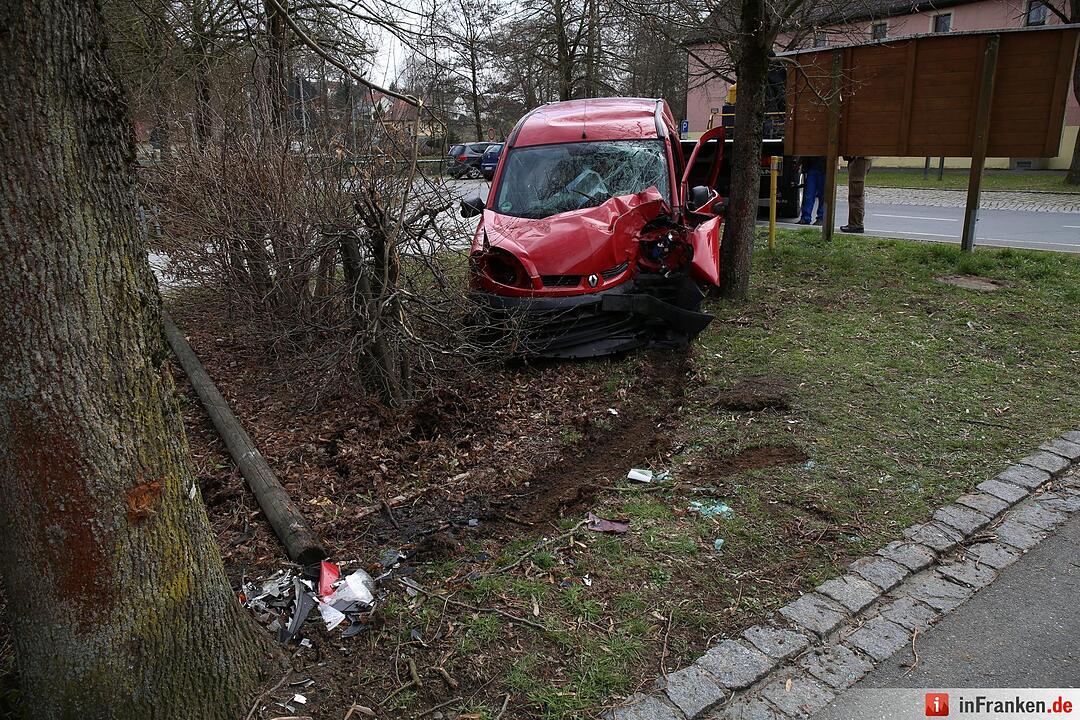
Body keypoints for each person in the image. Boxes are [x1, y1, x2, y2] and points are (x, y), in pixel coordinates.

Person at [841, 156, 872, 233]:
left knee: (856, 194)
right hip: (861, 158)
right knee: (857, 193)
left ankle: (856, 224)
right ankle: (856, 223)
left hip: (859, 158)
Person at [798, 156, 825, 225]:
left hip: (824, 167)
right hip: (813, 166)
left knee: (823, 195)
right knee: (809, 195)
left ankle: (820, 218)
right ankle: (806, 218)